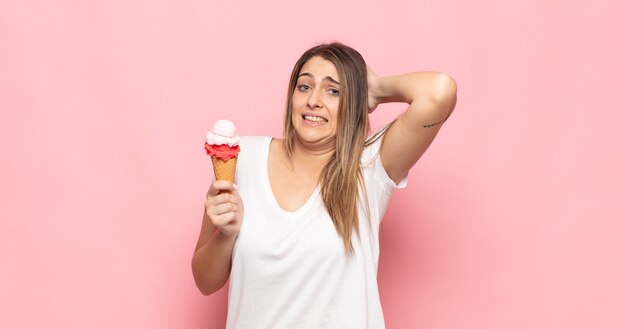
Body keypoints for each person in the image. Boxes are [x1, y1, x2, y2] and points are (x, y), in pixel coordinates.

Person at [191, 42, 457, 329]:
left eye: (334, 91)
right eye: (304, 87)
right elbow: (205, 281)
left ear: (355, 101)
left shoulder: (369, 167)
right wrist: (225, 234)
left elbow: (440, 91)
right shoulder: (242, 157)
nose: (313, 100)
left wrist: (377, 88)